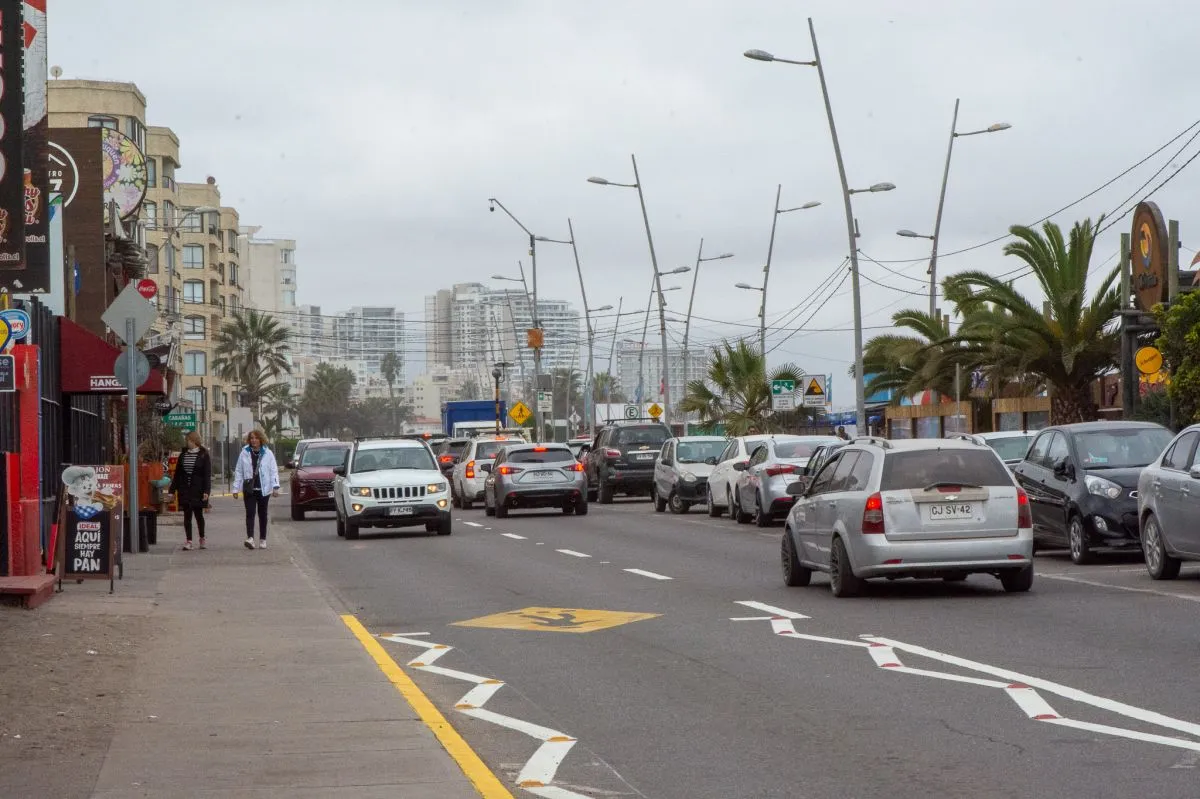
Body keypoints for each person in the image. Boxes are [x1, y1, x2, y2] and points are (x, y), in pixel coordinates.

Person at [232, 429, 280, 550]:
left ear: (261, 439)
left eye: (256, 438)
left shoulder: (268, 453)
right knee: (250, 513)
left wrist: (275, 487)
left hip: (264, 489)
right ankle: (250, 538)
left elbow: (273, 470)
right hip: (249, 488)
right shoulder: (244, 452)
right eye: (251, 438)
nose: (253, 440)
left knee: (262, 514)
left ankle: (263, 539)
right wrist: (235, 488)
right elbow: (239, 470)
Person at [169, 431, 212, 550]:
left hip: (198, 490)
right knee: (187, 516)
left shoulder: (204, 455)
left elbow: (207, 475)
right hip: (185, 489)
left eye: (188, 440)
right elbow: (177, 474)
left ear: (194, 441)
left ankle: (202, 538)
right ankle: (189, 540)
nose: (187, 442)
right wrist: (172, 491)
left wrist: (206, 492)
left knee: (198, 515)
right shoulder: (183, 455)